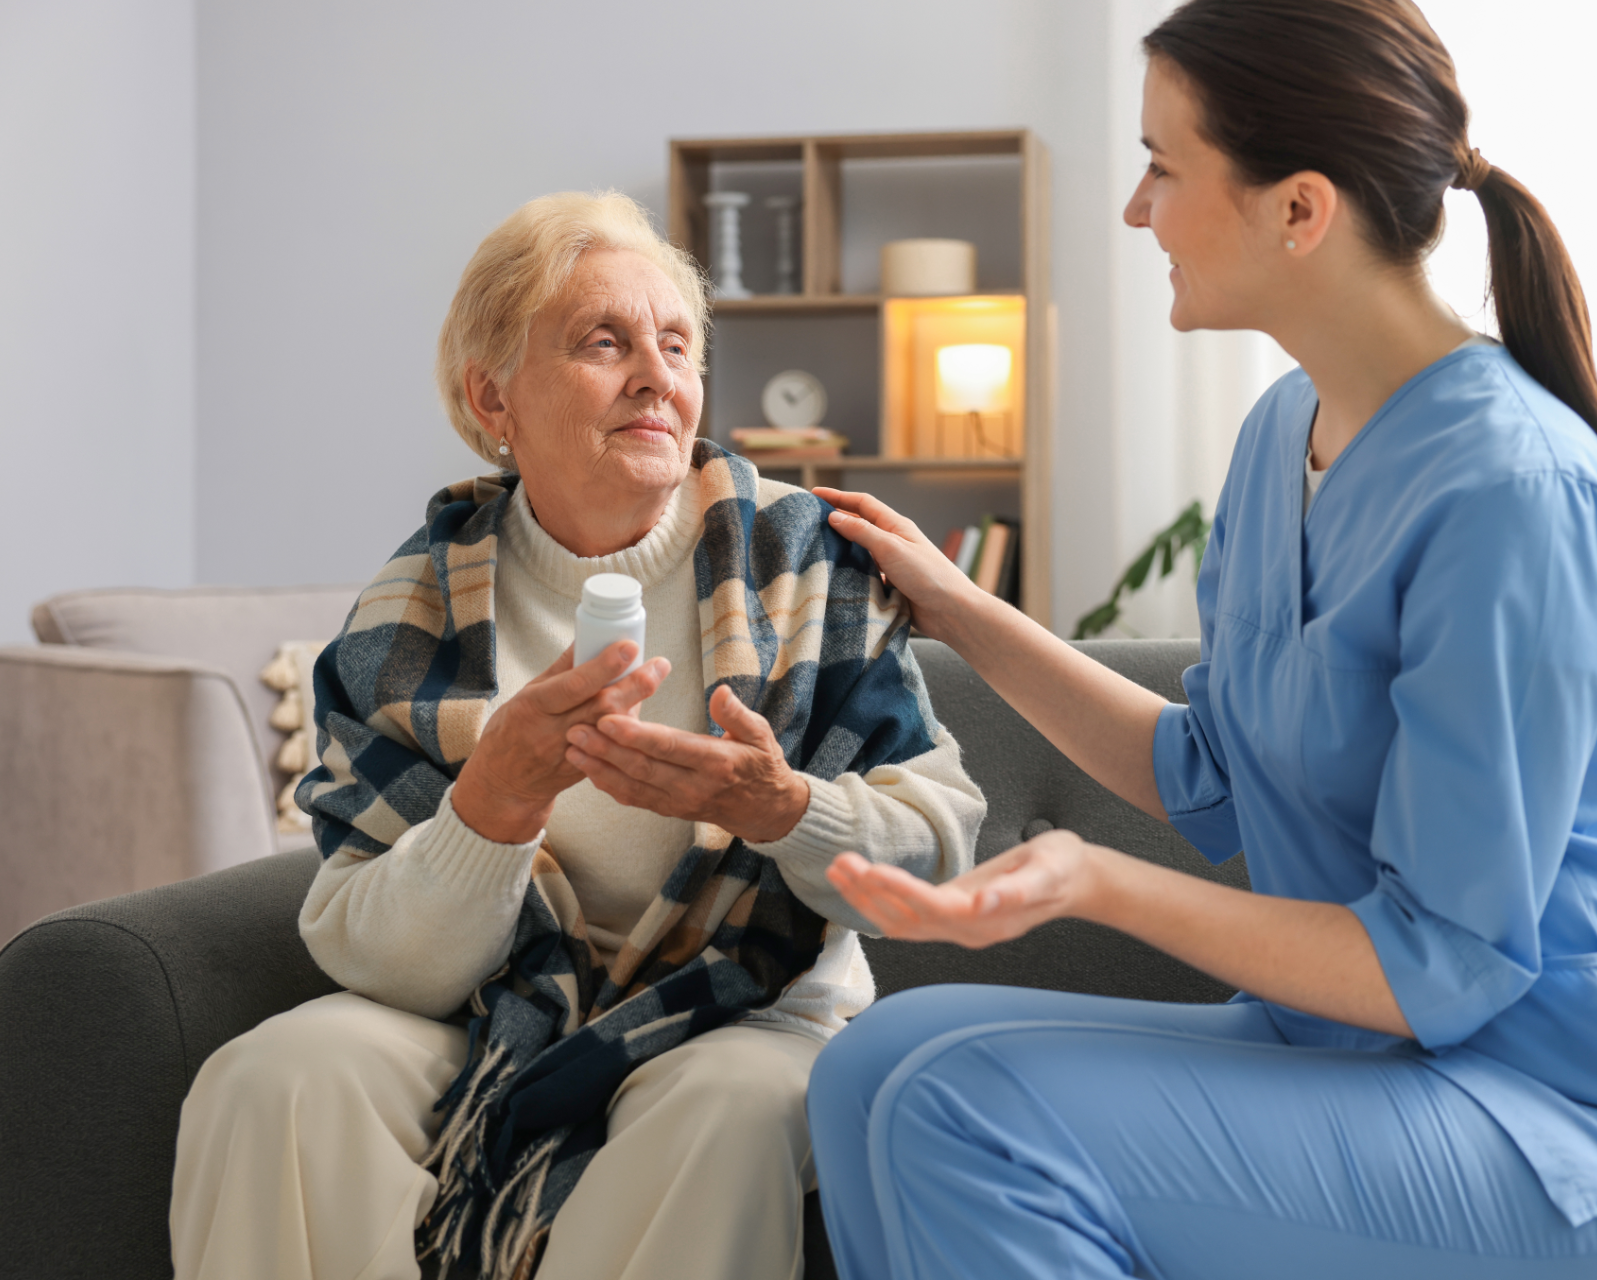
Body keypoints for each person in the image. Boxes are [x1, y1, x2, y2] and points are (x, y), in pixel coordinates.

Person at [803, 2, 1597, 1278]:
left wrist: (1096, 878)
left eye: (1162, 165)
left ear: (1298, 209)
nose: (1138, 211)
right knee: (868, 1065)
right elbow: (1210, 768)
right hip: (1363, 1060)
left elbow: (1447, 963)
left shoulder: (1511, 490)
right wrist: (960, 610)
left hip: (1584, 1136)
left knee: (961, 1107)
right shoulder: (1279, 440)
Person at [168, 191, 985, 1280]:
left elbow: (940, 847)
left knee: (730, 1112)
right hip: (488, 1013)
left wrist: (783, 807)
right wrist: (490, 806)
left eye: (678, 343)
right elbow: (375, 953)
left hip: (747, 1017)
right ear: (492, 393)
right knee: (270, 1078)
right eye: (606, 341)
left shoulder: (803, 566)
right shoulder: (411, 608)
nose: (658, 375)